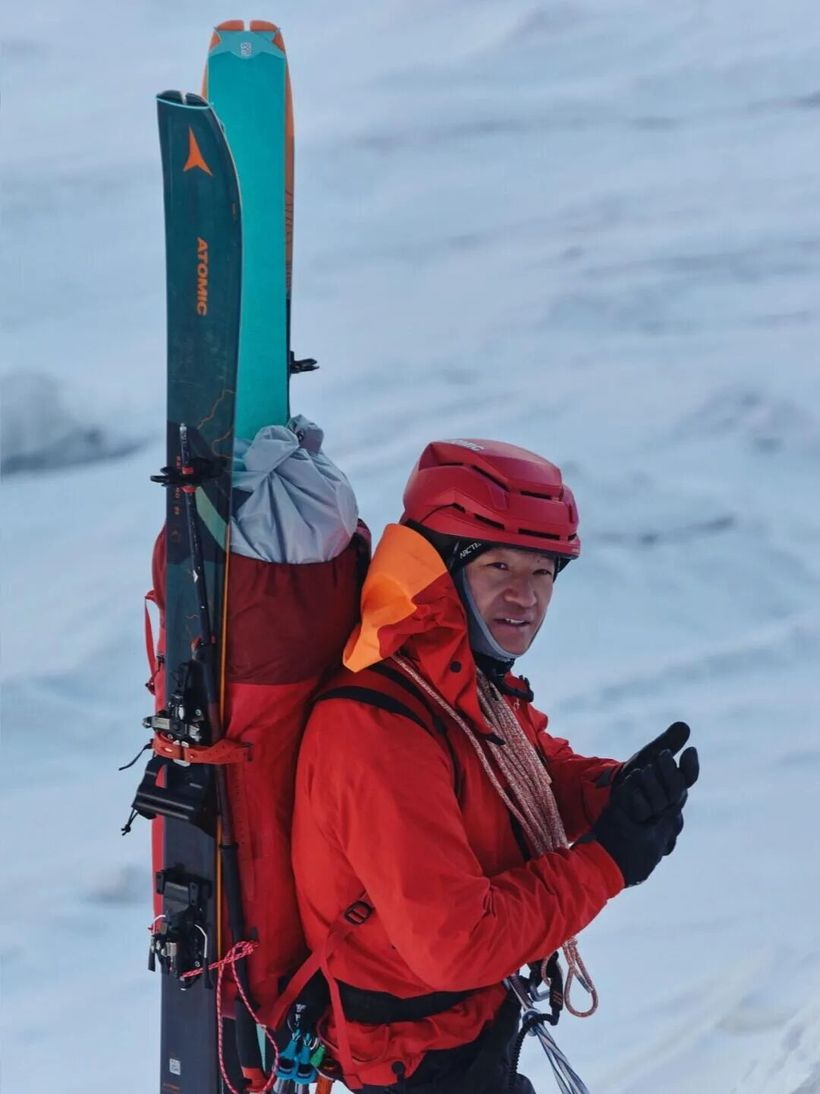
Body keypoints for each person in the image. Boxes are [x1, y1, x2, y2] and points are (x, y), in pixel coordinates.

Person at [291, 438, 699, 1093]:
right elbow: (457, 944)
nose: (525, 597)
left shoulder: (457, 682)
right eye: (499, 567)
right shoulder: (378, 726)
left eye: (542, 572)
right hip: (417, 1061)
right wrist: (607, 860)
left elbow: (528, 769)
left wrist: (615, 793)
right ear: (441, 571)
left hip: (467, 1035)